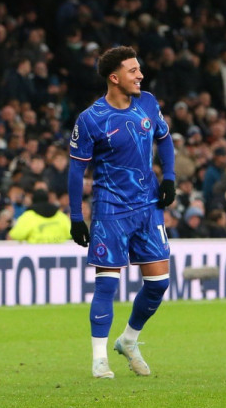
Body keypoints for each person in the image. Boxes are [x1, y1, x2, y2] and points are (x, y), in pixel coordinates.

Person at [67, 46, 176, 379]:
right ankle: (99, 359)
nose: (140, 75)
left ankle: (128, 340)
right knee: (106, 286)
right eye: (133, 70)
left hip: (148, 206)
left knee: (158, 283)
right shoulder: (91, 119)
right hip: (110, 209)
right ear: (114, 78)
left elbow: (165, 138)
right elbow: (76, 171)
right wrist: (76, 217)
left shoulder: (148, 103)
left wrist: (169, 177)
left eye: (139, 69)